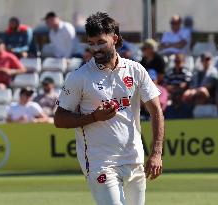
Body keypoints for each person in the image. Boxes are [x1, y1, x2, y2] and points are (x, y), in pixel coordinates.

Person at [54, 12, 164, 205]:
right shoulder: (79, 77)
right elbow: (59, 119)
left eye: (101, 42)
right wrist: (94, 117)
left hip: (134, 157)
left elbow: (156, 111)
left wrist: (156, 153)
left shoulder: (135, 69)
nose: (95, 49)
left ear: (114, 38)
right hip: (100, 163)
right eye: (91, 43)